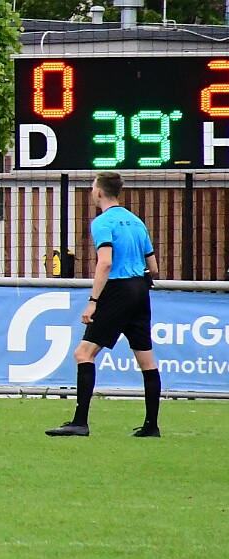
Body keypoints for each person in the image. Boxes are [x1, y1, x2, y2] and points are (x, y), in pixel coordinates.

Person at [47, 172, 162, 438]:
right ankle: (151, 426)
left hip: (118, 290)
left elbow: (106, 262)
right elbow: (153, 267)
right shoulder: (137, 222)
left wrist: (93, 302)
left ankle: (80, 422)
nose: (91, 191)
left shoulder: (102, 222)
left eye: (92, 187)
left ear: (99, 192)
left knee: (83, 354)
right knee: (146, 360)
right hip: (140, 290)